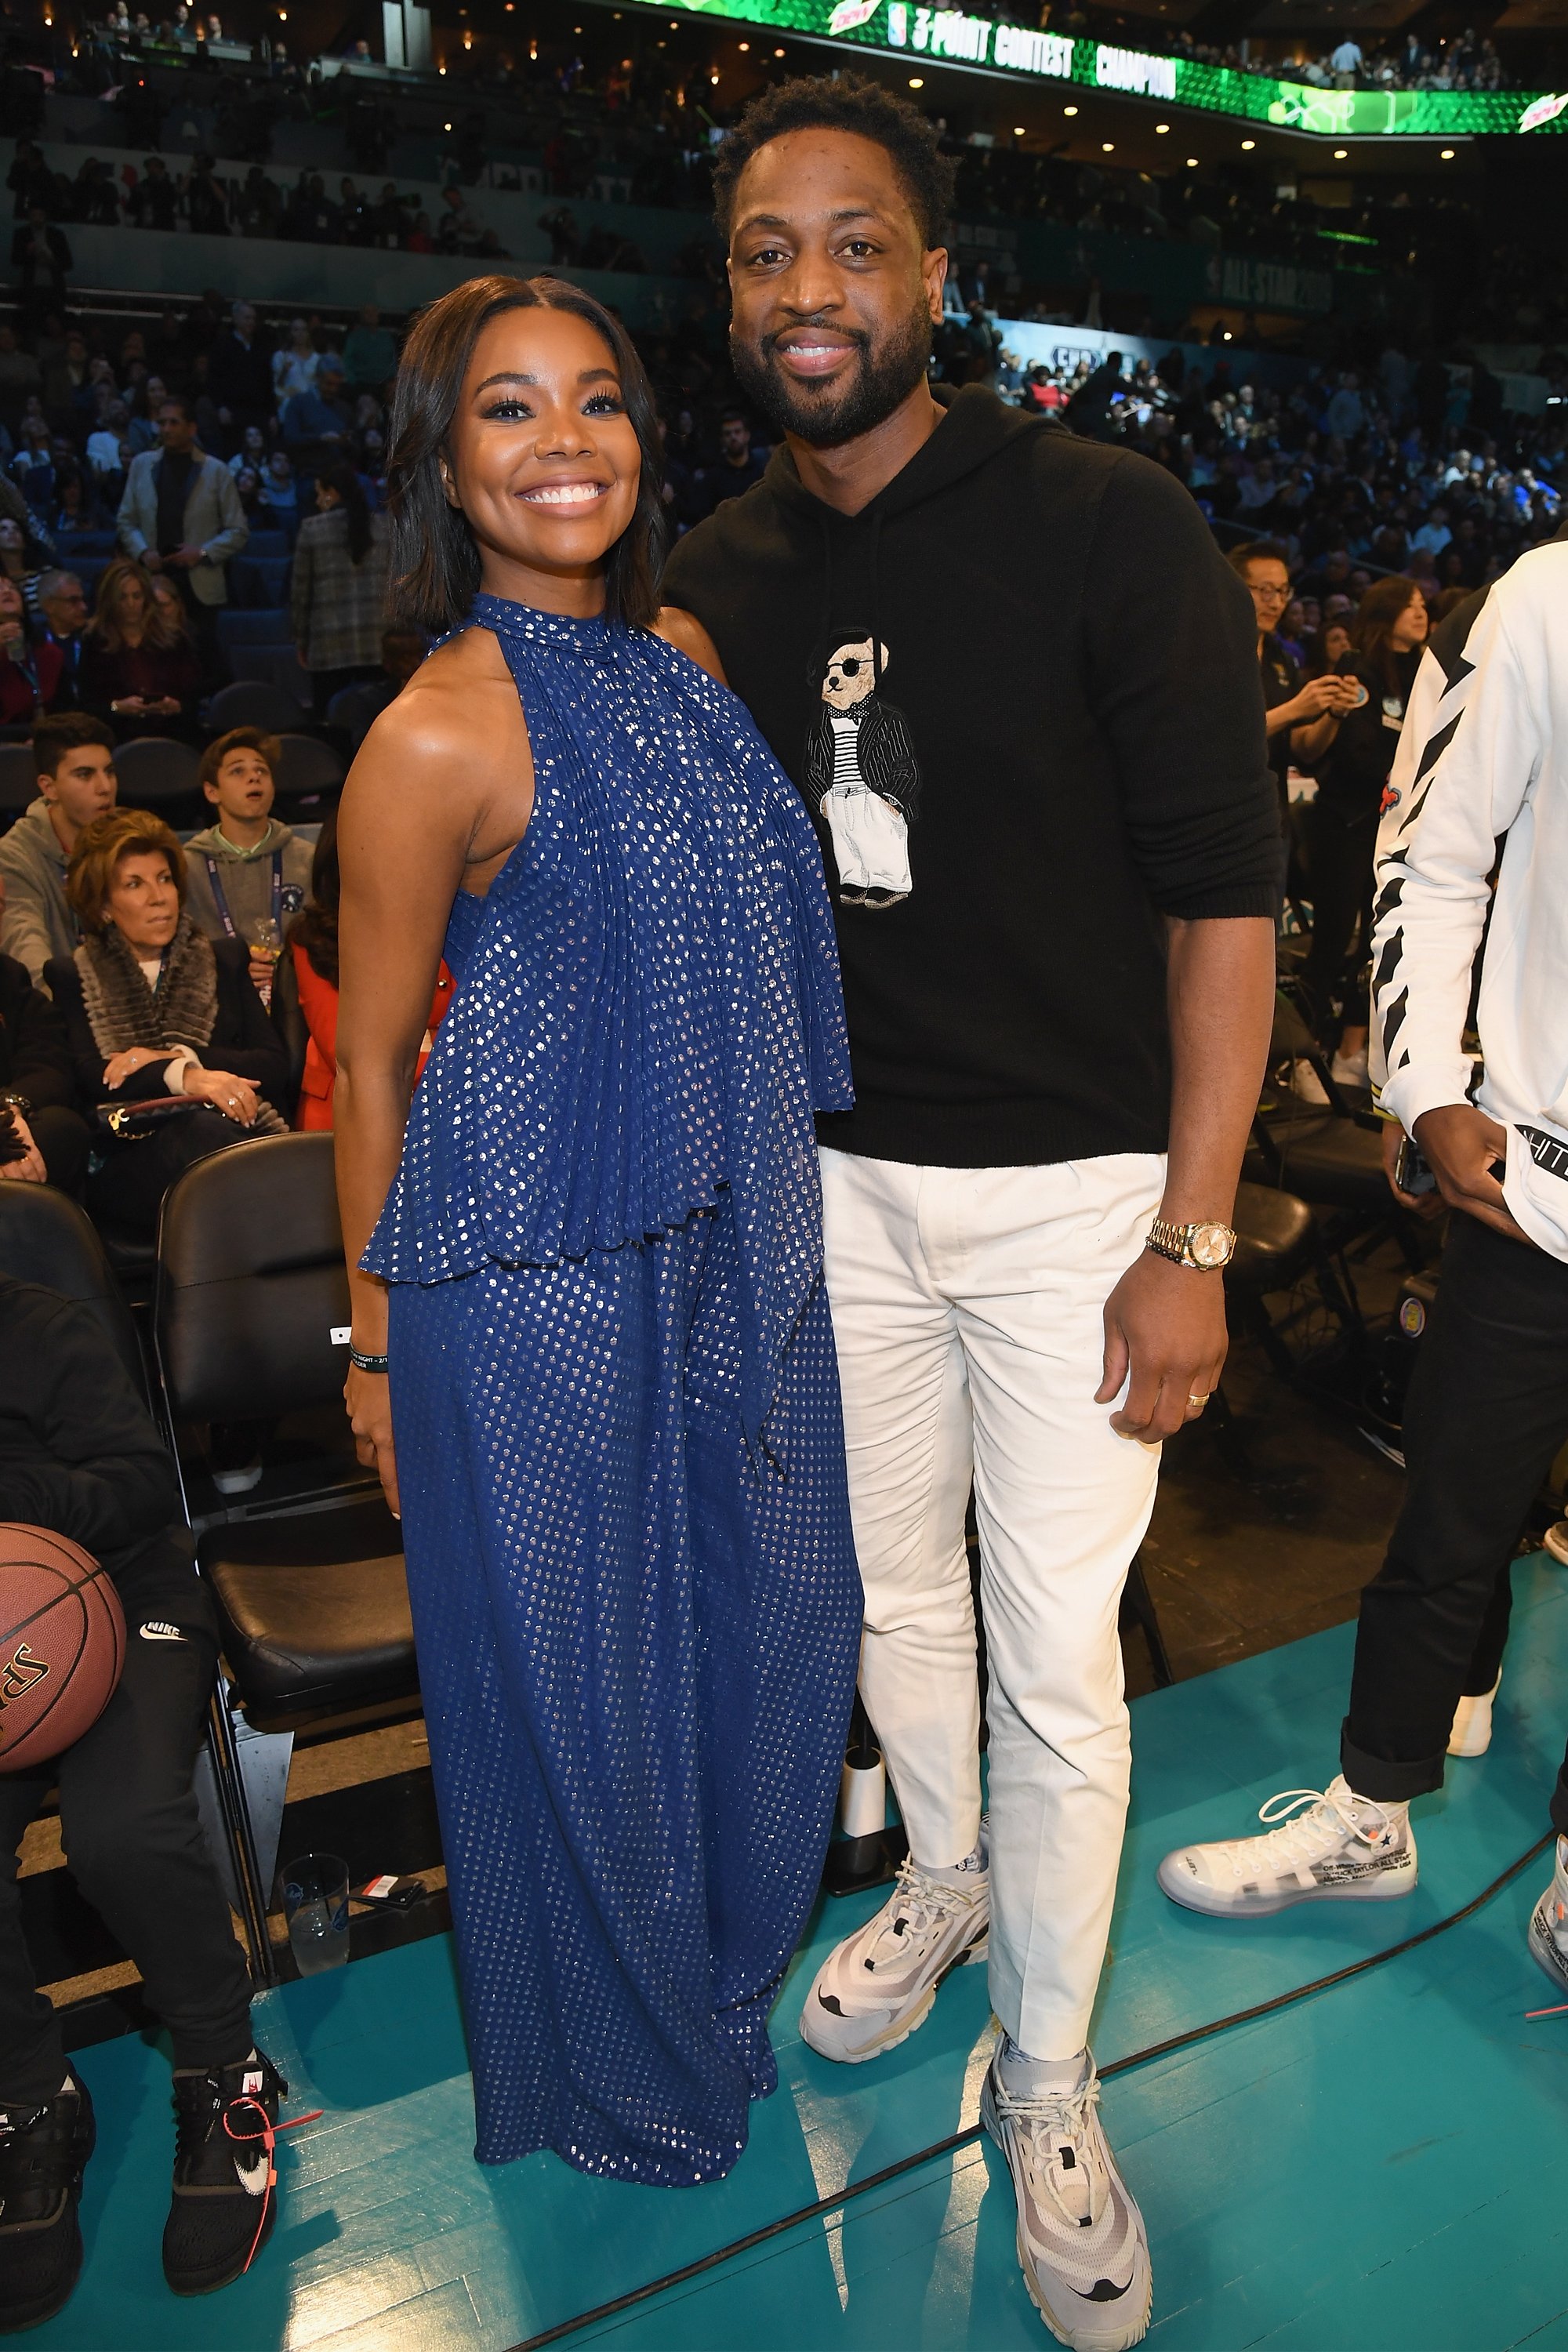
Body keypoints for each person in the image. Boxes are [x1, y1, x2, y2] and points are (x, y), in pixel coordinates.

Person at [662, 77, 1281, 2346]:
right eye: (761, 249)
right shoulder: (712, 581)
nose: (806, 289)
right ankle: (937, 1886)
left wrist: (1193, 1240)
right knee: (884, 1604)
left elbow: (1226, 907)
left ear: (931, 276)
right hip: (838, 1190)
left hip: (1075, 1209)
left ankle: (1048, 2076)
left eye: (850, 244)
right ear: (724, 291)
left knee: (1057, 1661)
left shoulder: (1112, 521)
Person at [332, 273, 860, 2184]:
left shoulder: (690, 667)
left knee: (791, 1618)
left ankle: (725, 1975)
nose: (563, 444)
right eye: (506, 411)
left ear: (643, 436)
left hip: (735, 1235)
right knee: (589, 1687)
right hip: (529, 1269)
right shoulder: (430, 735)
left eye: (597, 402)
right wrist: (378, 1343)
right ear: (445, 466)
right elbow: (374, 1065)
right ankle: (630, 2067)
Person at [1156, 539, 1568, 2001]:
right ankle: (1369, 1813)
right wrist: (1426, 1083)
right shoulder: (1548, 599)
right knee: (1448, 1517)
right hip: (1538, 1189)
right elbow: (1433, 847)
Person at [0, 1272, 287, 2328]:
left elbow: (138, 1490)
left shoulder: (41, 1322)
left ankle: (222, 2067)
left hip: (115, 1598)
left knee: (120, 1827)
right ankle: (29, 2096)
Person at [46, 808, 289, 1236]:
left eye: (164, 879)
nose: (159, 897)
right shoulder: (72, 975)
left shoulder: (224, 957)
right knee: (202, 1133)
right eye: (134, 884)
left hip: (226, 1135)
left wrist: (176, 1056)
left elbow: (271, 1065)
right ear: (103, 905)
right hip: (127, 1157)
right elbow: (95, 1079)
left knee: (216, 1137)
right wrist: (185, 1078)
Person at [1298, 574, 1429, 1087]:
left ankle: (1351, 1051)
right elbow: (1356, 752)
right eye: (1411, 606)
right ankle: (1297, 1061)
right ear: (1387, 612)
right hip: (1345, 824)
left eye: (1422, 606)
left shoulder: (1424, 669)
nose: (1421, 614)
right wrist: (1405, 772)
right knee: (1331, 943)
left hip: (1394, 829)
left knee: (1381, 943)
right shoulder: (1358, 667)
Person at [288, 813, 452, 1130]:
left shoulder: (438, 918)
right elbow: (348, 1054)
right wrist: (449, 1062)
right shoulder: (313, 936)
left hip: (439, 1105)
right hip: (345, 1118)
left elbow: (466, 1022)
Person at [1226, 540, 1357, 822]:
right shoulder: (1209, 654)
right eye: (1265, 591)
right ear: (1231, 587)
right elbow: (1219, 740)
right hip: (1221, 811)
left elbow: (1305, 750)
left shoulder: (1282, 660)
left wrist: (1333, 712)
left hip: (1273, 813)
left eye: (1283, 592)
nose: (1276, 603)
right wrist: (1296, 708)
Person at [114, 392, 249, 666]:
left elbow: (238, 531)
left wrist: (200, 553)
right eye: (161, 423)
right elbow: (126, 521)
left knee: (199, 659)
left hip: (199, 582)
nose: (166, 429)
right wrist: (142, 552)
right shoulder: (142, 465)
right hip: (153, 577)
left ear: (191, 428)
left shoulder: (216, 471)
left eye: (173, 422)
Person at [182, 727, 313, 981]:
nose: (254, 777)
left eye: (261, 770)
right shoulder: (188, 867)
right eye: (237, 771)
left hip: (294, 992)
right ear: (212, 792)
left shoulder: (306, 859)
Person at [0, 715, 118, 987]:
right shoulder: (14, 858)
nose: (105, 787)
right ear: (48, 787)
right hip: (65, 1011)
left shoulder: (131, 840)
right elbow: (27, 953)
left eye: (109, 771)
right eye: (85, 775)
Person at [0, 877, 89, 1192]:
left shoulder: (9, 978)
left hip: (11, 1124)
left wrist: (8, 1113)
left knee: (62, 1128)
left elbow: (48, 1060)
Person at [289, 460, 392, 713]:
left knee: (333, 727)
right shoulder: (387, 527)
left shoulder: (312, 529)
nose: (316, 501)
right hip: (379, 643)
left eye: (320, 494)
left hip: (328, 645)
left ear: (332, 492)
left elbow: (301, 593)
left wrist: (301, 640)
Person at [80, 557, 203, 736]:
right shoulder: (95, 642)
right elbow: (86, 706)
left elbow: (193, 698)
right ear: (110, 601)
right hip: (116, 736)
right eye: (122, 597)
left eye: (137, 596)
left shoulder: (173, 639)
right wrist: (116, 707)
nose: (131, 604)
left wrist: (176, 706)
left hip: (172, 733)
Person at [324, 623, 425, 748]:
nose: (416, 663)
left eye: (420, 655)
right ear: (387, 663)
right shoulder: (360, 703)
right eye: (406, 657)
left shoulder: (434, 697)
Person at [0, 575, 60, 724]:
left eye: (12, 588)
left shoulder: (46, 652)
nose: (7, 591)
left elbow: (63, 706)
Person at [34, 568, 89, 710]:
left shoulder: (92, 640)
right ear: (49, 606)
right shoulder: (35, 643)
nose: (83, 607)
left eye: (83, 600)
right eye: (73, 601)